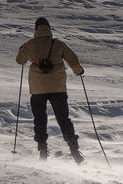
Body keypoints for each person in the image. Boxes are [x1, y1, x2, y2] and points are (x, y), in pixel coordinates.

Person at [16, 17, 84, 162]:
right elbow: (72, 58)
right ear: (48, 28)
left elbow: (20, 61)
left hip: (37, 88)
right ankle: (74, 149)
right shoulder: (58, 44)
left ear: (36, 29)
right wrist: (78, 71)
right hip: (58, 87)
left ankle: (43, 149)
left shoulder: (30, 44)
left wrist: (22, 49)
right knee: (63, 118)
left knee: (39, 119)